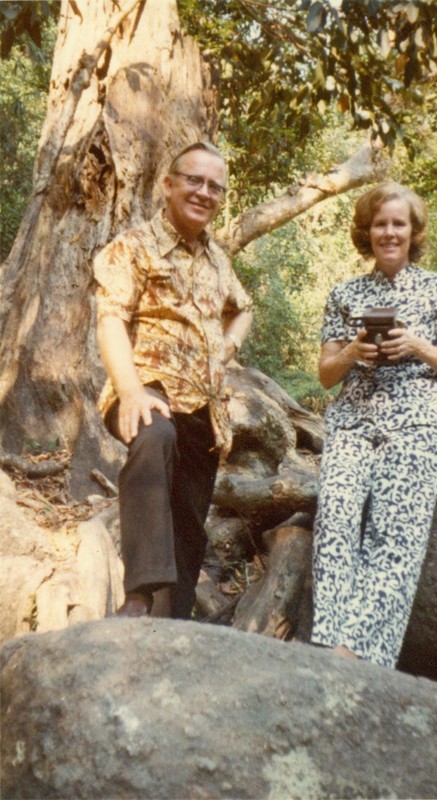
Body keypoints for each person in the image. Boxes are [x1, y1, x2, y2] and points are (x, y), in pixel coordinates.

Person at [311, 181, 437, 666]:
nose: (389, 232)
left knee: (395, 534)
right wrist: (355, 352)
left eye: (398, 223)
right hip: (354, 420)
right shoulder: (346, 293)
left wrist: (416, 345)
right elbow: (324, 375)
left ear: (413, 230)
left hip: (418, 423)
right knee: (334, 518)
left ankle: (356, 655)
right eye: (380, 224)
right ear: (367, 231)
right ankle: (325, 644)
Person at [94, 141, 253, 618]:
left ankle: (172, 625)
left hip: (204, 409)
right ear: (168, 184)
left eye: (214, 187)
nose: (204, 192)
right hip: (148, 388)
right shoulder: (133, 246)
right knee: (152, 437)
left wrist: (227, 348)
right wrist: (129, 390)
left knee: (188, 522)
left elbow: (243, 308)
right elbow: (110, 319)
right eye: (194, 180)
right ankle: (139, 596)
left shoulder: (217, 260)